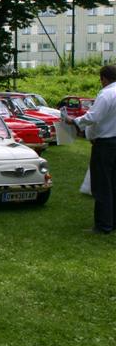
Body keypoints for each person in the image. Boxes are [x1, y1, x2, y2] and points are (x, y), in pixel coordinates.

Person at [65, 64, 116, 234]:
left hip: (105, 144)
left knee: (102, 184)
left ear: (104, 78)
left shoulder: (106, 94)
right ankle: (112, 221)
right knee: (114, 183)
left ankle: (103, 225)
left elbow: (94, 116)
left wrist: (75, 121)